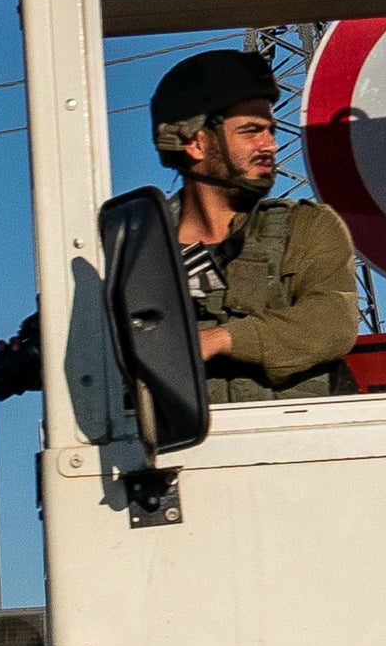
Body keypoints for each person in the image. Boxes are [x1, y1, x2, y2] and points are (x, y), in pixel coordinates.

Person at [149, 47, 360, 402]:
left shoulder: (306, 228)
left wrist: (220, 340)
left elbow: (333, 322)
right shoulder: (142, 248)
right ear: (196, 143)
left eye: (271, 131)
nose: (271, 146)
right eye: (251, 131)